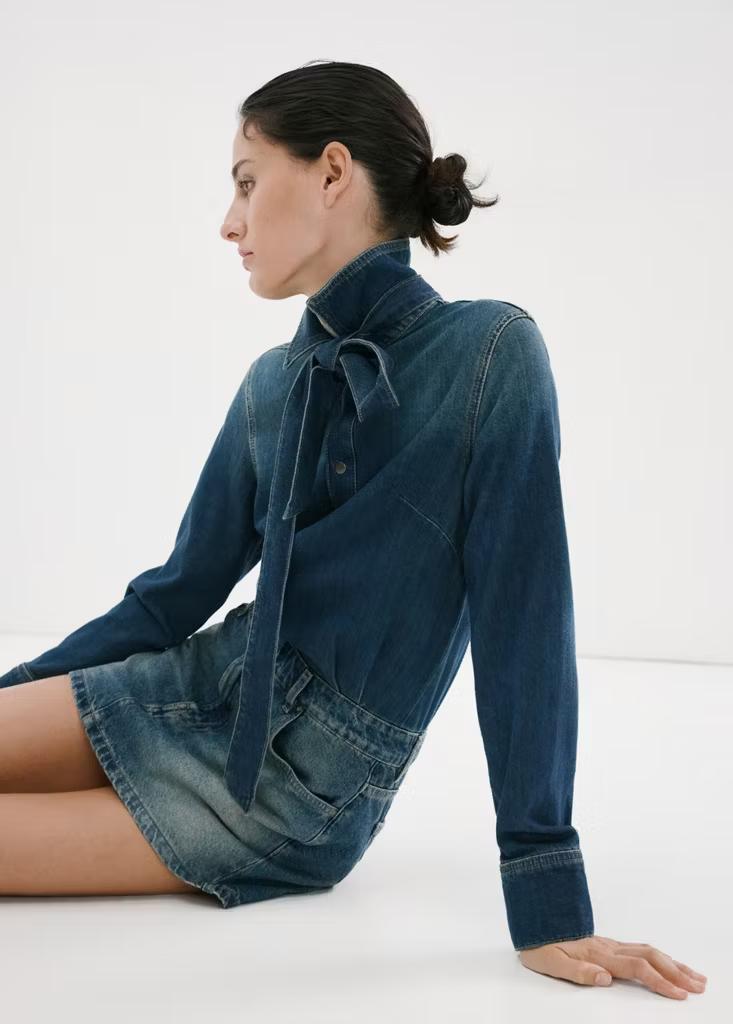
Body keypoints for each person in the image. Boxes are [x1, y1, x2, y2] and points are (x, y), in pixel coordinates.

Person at [0, 60, 706, 999]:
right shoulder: (272, 384)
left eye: (246, 182)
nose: (228, 222)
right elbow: (171, 598)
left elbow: (524, 621)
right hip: (194, 684)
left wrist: (546, 896)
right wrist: (23, 693)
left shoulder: (489, 355)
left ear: (331, 172)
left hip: (291, 794)